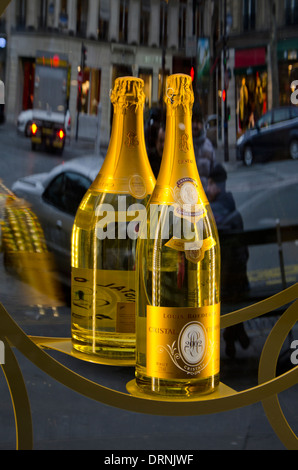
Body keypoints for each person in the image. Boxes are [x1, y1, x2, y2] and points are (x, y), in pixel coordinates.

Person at [207, 163, 250, 358]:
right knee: (234, 292)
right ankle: (236, 332)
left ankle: (232, 335)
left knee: (226, 293)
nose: (208, 189)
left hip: (222, 287)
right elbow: (244, 254)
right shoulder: (234, 212)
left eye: (210, 184)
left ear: (217, 185)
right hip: (240, 285)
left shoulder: (213, 213)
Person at [192, 105, 216, 190]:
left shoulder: (208, 146)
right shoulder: (183, 146)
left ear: (202, 124)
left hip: (205, 197)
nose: (195, 125)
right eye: (193, 121)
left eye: (198, 122)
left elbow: (214, 175)